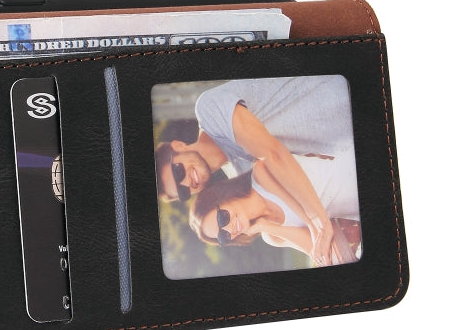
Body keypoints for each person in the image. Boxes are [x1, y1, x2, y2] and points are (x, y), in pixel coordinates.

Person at [155, 75, 355, 265]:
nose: (187, 183)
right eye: (182, 191)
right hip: (347, 140)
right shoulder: (241, 172)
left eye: (178, 172)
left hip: (342, 97)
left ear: (178, 146)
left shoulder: (209, 111)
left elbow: (274, 154)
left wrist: (318, 222)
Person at [188, 147, 361, 266]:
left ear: (223, 197)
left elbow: (312, 216)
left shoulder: (262, 172)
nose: (229, 229)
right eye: (223, 236)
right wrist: (266, 227)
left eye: (222, 218)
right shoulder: (272, 236)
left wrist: (313, 225)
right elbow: (322, 252)